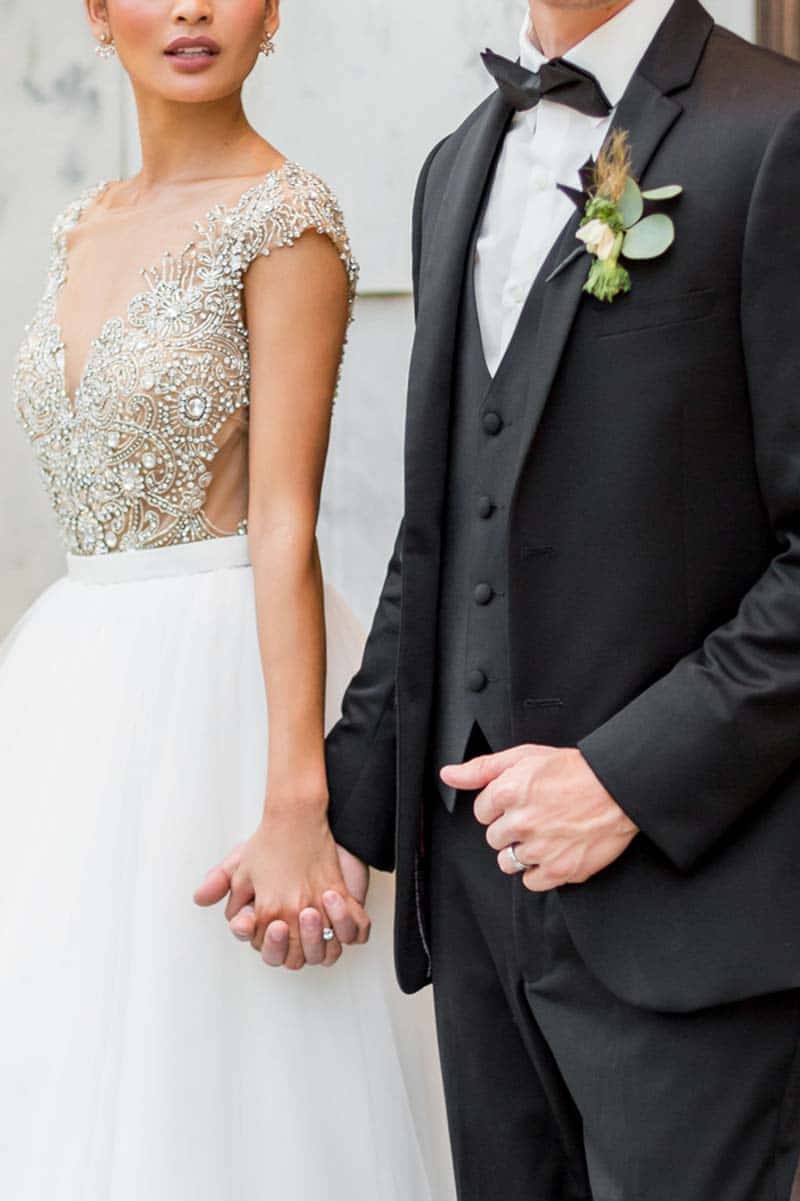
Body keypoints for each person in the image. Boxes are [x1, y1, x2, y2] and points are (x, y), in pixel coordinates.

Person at [207, 0, 800, 1197]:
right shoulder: (452, 167)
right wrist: (332, 826)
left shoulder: (772, 133)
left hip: (689, 912)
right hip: (473, 909)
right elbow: (440, 538)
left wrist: (624, 779)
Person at [0, 1, 453, 1198]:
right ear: (96, 13)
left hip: (219, 695)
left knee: (220, 1090)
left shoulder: (285, 221)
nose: (193, 9)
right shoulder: (77, 224)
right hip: (69, 693)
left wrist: (298, 797)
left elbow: (282, 522)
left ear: (271, 13)